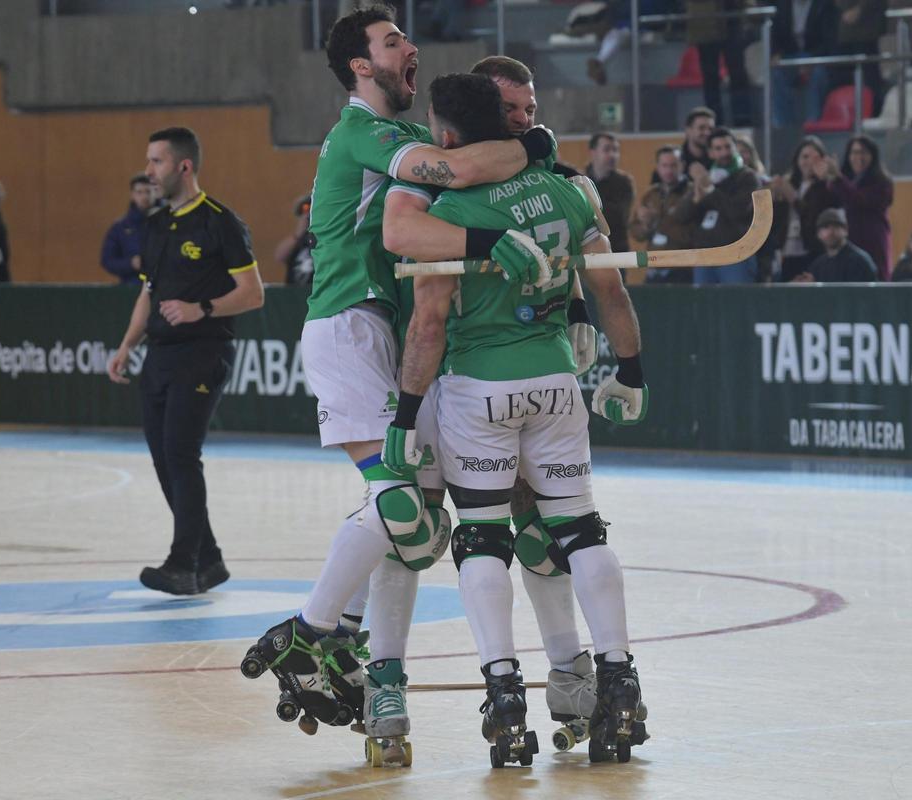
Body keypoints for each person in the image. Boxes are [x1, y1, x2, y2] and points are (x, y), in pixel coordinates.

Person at [242, 4, 557, 753]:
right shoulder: (361, 134)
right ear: (360, 65)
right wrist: (527, 150)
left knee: (418, 524)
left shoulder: (407, 137)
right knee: (409, 515)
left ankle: (352, 643)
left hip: (390, 335)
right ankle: (311, 630)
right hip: (347, 328)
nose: (409, 48)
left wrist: (520, 152)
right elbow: (464, 167)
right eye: (392, 42)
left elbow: (471, 159)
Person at [383, 72, 648, 764]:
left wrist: (407, 416)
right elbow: (610, 285)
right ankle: (619, 683)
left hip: (479, 390)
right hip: (556, 380)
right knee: (581, 530)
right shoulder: (568, 188)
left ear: (447, 138)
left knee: (483, 539)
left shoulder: (449, 204)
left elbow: (429, 323)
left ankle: (504, 698)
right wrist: (631, 367)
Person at [106, 127, 265, 595]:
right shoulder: (156, 225)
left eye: (157, 162)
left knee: (180, 454)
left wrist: (204, 308)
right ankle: (209, 560)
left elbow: (253, 293)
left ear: (184, 166)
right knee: (163, 459)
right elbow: (148, 294)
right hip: (159, 356)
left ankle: (182, 563)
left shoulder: (219, 222)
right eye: (149, 161)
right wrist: (127, 345)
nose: (150, 171)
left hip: (203, 353)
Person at [672, 126, 761, 285]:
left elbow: (737, 211)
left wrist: (710, 190)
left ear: (735, 149)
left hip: (736, 254)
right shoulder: (708, 177)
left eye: (728, 147)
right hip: (704, 256)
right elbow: (680, 216)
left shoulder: (747, 177)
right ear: (711, 153)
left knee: (734, 304)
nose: (724, 153)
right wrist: (696, 197)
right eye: (718, 148)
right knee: (704, 306)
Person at [770, 135, 841, 282]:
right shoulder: (790, 183)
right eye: (805, 157)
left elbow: (815, 217)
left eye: (814, 157)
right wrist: (775, 198)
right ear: (797, 160)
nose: (809, 162)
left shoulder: (825, 187)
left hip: (813, 250)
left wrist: (793, 197)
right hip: (787, 251)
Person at [827, 135, 893, 281]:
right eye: (854, 152)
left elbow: (859, 199)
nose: (858, 157)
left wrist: (838, 178)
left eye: (864, 152)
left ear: (873, 156)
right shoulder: (845, 180)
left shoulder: (882, 182)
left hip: (872, 242)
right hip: (847, 242)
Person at [628, 145, 694, 284]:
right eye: (664, 165)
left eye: (673, 165)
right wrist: (646, 225)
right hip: (654, 267)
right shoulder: (651, 194)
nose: (669, 170)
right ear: (658, 167)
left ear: (682, 165)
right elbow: (635, 232)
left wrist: (657, 221)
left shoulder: (692, 192)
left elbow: (693, 232)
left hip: (683, 268)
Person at [686, 0, 753, 126]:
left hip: (734, 19)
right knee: (710, 77)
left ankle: (742, 118)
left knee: (738, 74)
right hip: (705, 22)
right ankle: (713, 121)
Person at [792, 208, 878, 282]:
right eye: (825, 227)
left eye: (836, 226)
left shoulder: (858, 261)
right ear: (818, 234)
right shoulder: (818, 265)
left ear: (846, 230)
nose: (830, 231)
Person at [585, 132, 635, 257]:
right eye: (607, 149)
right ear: (593, 152)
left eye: (616, 150)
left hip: (616, 249)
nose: (612, 155)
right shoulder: (580, 180)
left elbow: (619, 217)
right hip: (587, 249)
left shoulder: (624, 182)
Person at [101, 174, 154, 286]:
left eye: (148, 191)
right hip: (131, 287)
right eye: (139, 192)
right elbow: (107, 260)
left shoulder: (168, 222)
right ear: (132, 195)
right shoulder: (120, 228)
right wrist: (131, 264)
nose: (144, 196)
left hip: (163, 289)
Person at [274, 193, 314, 287]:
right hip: (294, 294)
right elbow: (279, 256)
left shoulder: (328, 239)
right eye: (305, 209)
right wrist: (299, 233)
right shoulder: (298, 240)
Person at [681, 107, 716, 175]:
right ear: (688, 130)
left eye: (710, 129)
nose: (707, 133)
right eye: (701, 128)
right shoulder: (674, 161)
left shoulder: (719, 159)